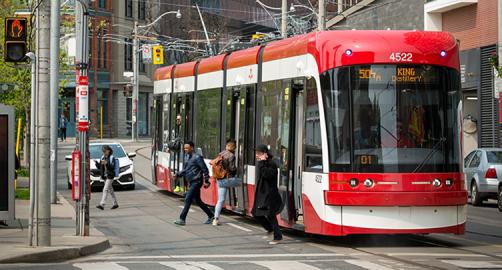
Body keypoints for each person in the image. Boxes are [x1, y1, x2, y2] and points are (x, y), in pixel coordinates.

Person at [173, 141, 214, 225]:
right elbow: (186, 170)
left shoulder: (197, 157)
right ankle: (211, 216)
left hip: (197, 181)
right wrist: (177, 174)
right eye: (184, 148)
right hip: (192, 182)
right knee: (198, 201)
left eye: (187, 148)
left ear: (192, 148)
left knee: (188, 198)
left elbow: (205, 169)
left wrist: (206, 181)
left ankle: (182, 219)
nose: (185, 150)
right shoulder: (189, 157)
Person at [252, 144, 283, 245]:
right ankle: (270, 229)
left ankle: (277, 237)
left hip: (269, 194)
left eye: (258, 153)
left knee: (271, 215)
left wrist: (261, 163)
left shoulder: (271, 163)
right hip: (262, 193)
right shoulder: (264, 163)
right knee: (255, 213)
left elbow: (267, 175)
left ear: (265, 153)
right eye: (256, 153)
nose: (256, 155)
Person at [211, 139, 240, 226]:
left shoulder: (221, 153)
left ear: (227, 146)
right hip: (227, 179)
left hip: (219, 178)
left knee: (220, 200)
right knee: (240, 182)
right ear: (233, 147)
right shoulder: (231, 156)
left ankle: (215, 218)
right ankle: (237, 201)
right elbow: (232, 168)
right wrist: (237, 170)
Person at [96, 145, 119, 210]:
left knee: (105, 189)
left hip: (110, 176)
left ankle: (102, 204)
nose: (104, 152)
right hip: (105, 176)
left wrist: (106, 164)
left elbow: (112, 168)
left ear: (109, 151)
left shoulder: (112, 158)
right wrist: (97, 163)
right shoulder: (102, 157)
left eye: (105, 151)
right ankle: (115, 203)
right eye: (103, 151)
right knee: (110, 190)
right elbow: (100, 167)